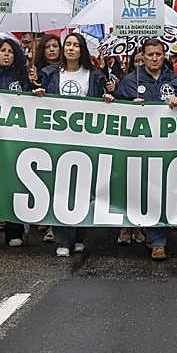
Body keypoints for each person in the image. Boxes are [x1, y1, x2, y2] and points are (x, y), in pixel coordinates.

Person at [113, 37, 177, 259]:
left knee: (168, 189)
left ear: (164, 55)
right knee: (148, 191)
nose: (154, 58)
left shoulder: (174, 80)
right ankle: (157, 241)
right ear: (143, 56)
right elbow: (115, 111)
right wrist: (130, 106)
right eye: (150, 54)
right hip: (141, 147)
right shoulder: (130, 81)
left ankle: (165, 230)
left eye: (158, 54)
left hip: (169, 147)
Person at [37, 31, 107, 255]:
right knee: (60, 188)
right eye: (67, 44)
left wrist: (107, 100)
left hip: (86, 140)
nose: (70, 48)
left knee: (83, 188)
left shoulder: (94, 75)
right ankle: (62, 240)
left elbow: (101, 102)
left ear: (82, 50)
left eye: (75, 45)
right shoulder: (48, 73)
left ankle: (79, 235)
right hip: (58, 140)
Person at [0, 37, 37, 249]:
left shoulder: (22, 76)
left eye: (10, 51)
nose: (6, 54)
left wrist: (34, 84)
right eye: (2, 51)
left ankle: (15, 230)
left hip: (16, 140)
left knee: (14, 183)